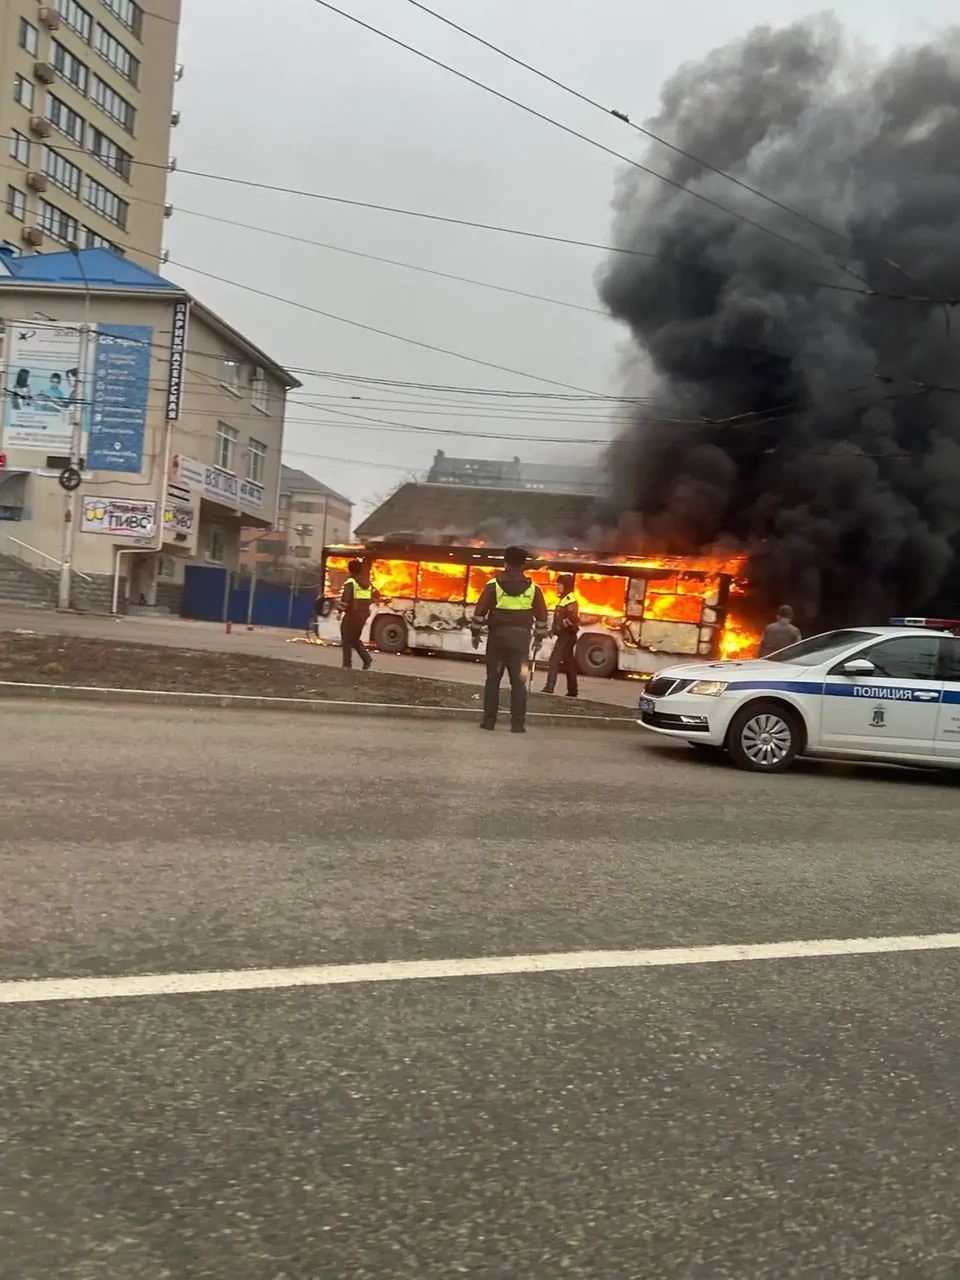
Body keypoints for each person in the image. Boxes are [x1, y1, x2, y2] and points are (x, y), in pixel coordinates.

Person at [471, 546, 548, 733]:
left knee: (493, 680)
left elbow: (480, 612)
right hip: (521, 643)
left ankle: (489, 722)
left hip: (497, 640)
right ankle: (517, 724)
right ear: (523, 565)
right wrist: (538, 639)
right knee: (519, 683)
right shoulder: (534, 589)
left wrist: (475, 633)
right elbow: (542, 617)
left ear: (505, 563)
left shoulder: (493, 585)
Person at [339, 558, 381, 669]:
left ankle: (347, 665)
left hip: (352, 615)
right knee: (354, 638)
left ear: (349, 569)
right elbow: (377, 594)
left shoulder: (350, 583)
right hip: (363, 616)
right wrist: (369, 602)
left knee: (347, 640)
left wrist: (340, 611)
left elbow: (345, 599)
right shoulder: (367, 583)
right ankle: (366, 659)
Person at [543, 573, 579, 697]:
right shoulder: (564, 599)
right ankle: (573, 691)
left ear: (566, 586)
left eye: (559, 585)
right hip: (566, 635)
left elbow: (571, 620)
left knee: (554, 660)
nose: (557, 587)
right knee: (569, 663)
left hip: (567, 636)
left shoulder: (570, 600)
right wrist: (553, 630)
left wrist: (557, 629)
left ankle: (549, 688)